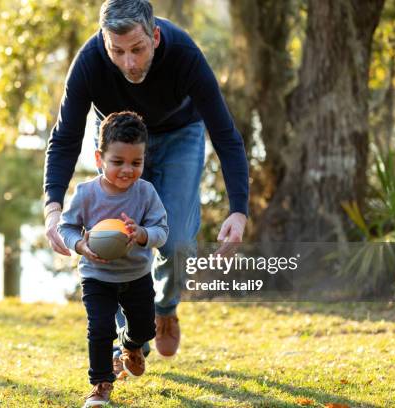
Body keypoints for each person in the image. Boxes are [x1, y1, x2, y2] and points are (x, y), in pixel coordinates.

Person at [44, 0, 249, 359]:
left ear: (154, 36)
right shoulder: (89, 62)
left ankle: (166, 311)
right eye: (117, 51)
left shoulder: (184, 54)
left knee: (178, 241)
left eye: (137, 49)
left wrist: (239, 210)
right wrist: (52, 207)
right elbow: (64, 138)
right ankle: (131, 339)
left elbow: (225, 134)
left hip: (179, 134)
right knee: (111, 237)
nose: (129, 63)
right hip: (118, 139)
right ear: (105, 43)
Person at [58, 111, 168, 407]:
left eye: (136, 162)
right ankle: (101, 384)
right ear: (99, 159)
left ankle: (131, 345)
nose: (127, 170)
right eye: (117, 162)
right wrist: (80, 244)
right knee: (99, 328)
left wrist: (142, 233)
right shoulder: (86, 194)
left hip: (136, 275)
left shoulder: (146, 193)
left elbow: (162, 231)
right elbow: (65, 227)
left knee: (145, 329)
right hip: (97, 275)